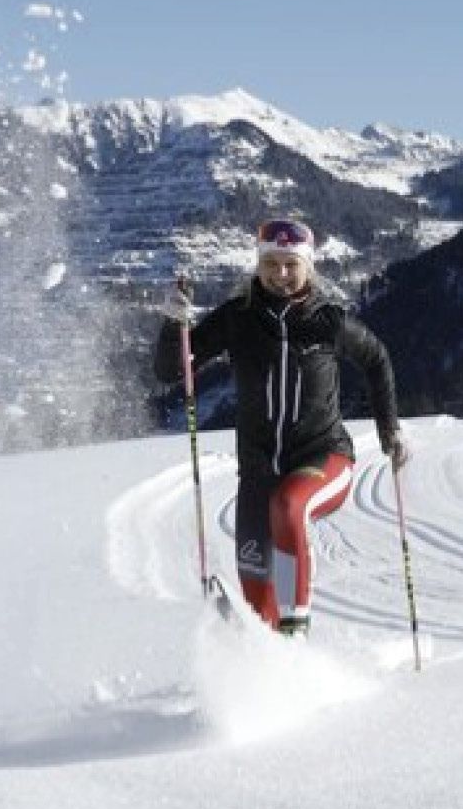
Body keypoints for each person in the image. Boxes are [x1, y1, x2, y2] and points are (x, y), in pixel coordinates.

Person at [155, 216, 408, 636]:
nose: (281, 274)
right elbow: (171, 370)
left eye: (292, 264)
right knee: (258, 599)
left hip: (323, 457)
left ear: (308, 266)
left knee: (290, 507)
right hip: (258, 472)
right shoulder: (238, 318)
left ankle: (296, 627)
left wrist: (390, 430)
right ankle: (272, 654)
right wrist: (173, 324)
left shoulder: (328, 320)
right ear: (259, 265)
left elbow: (376, 359)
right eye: (271, 264)